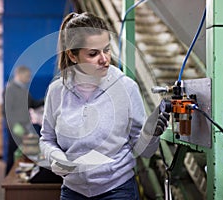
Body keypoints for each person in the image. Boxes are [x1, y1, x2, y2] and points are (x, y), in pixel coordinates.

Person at [39, 12, 169, 199]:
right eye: (93, 53)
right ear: (72, 56)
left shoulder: (126, 88)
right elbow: (47, 139)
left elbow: (145, 151)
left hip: (117, 190)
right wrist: (56, 157)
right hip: (73, 192)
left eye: (106, 50)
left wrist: (151, 134)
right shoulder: (56, 91)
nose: (104, 59)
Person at [3, 65, 44, 175]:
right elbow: (6, 111)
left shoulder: (23, 89)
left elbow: (33, 104)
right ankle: (8, 183)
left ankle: (21, 179)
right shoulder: (10, 89)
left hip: (25, 127)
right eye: (27, 76)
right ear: (20, 75)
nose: (29, 79)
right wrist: (15, 127)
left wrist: (47, 99)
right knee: (13, 156)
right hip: (15, 129)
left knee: (24, 157)